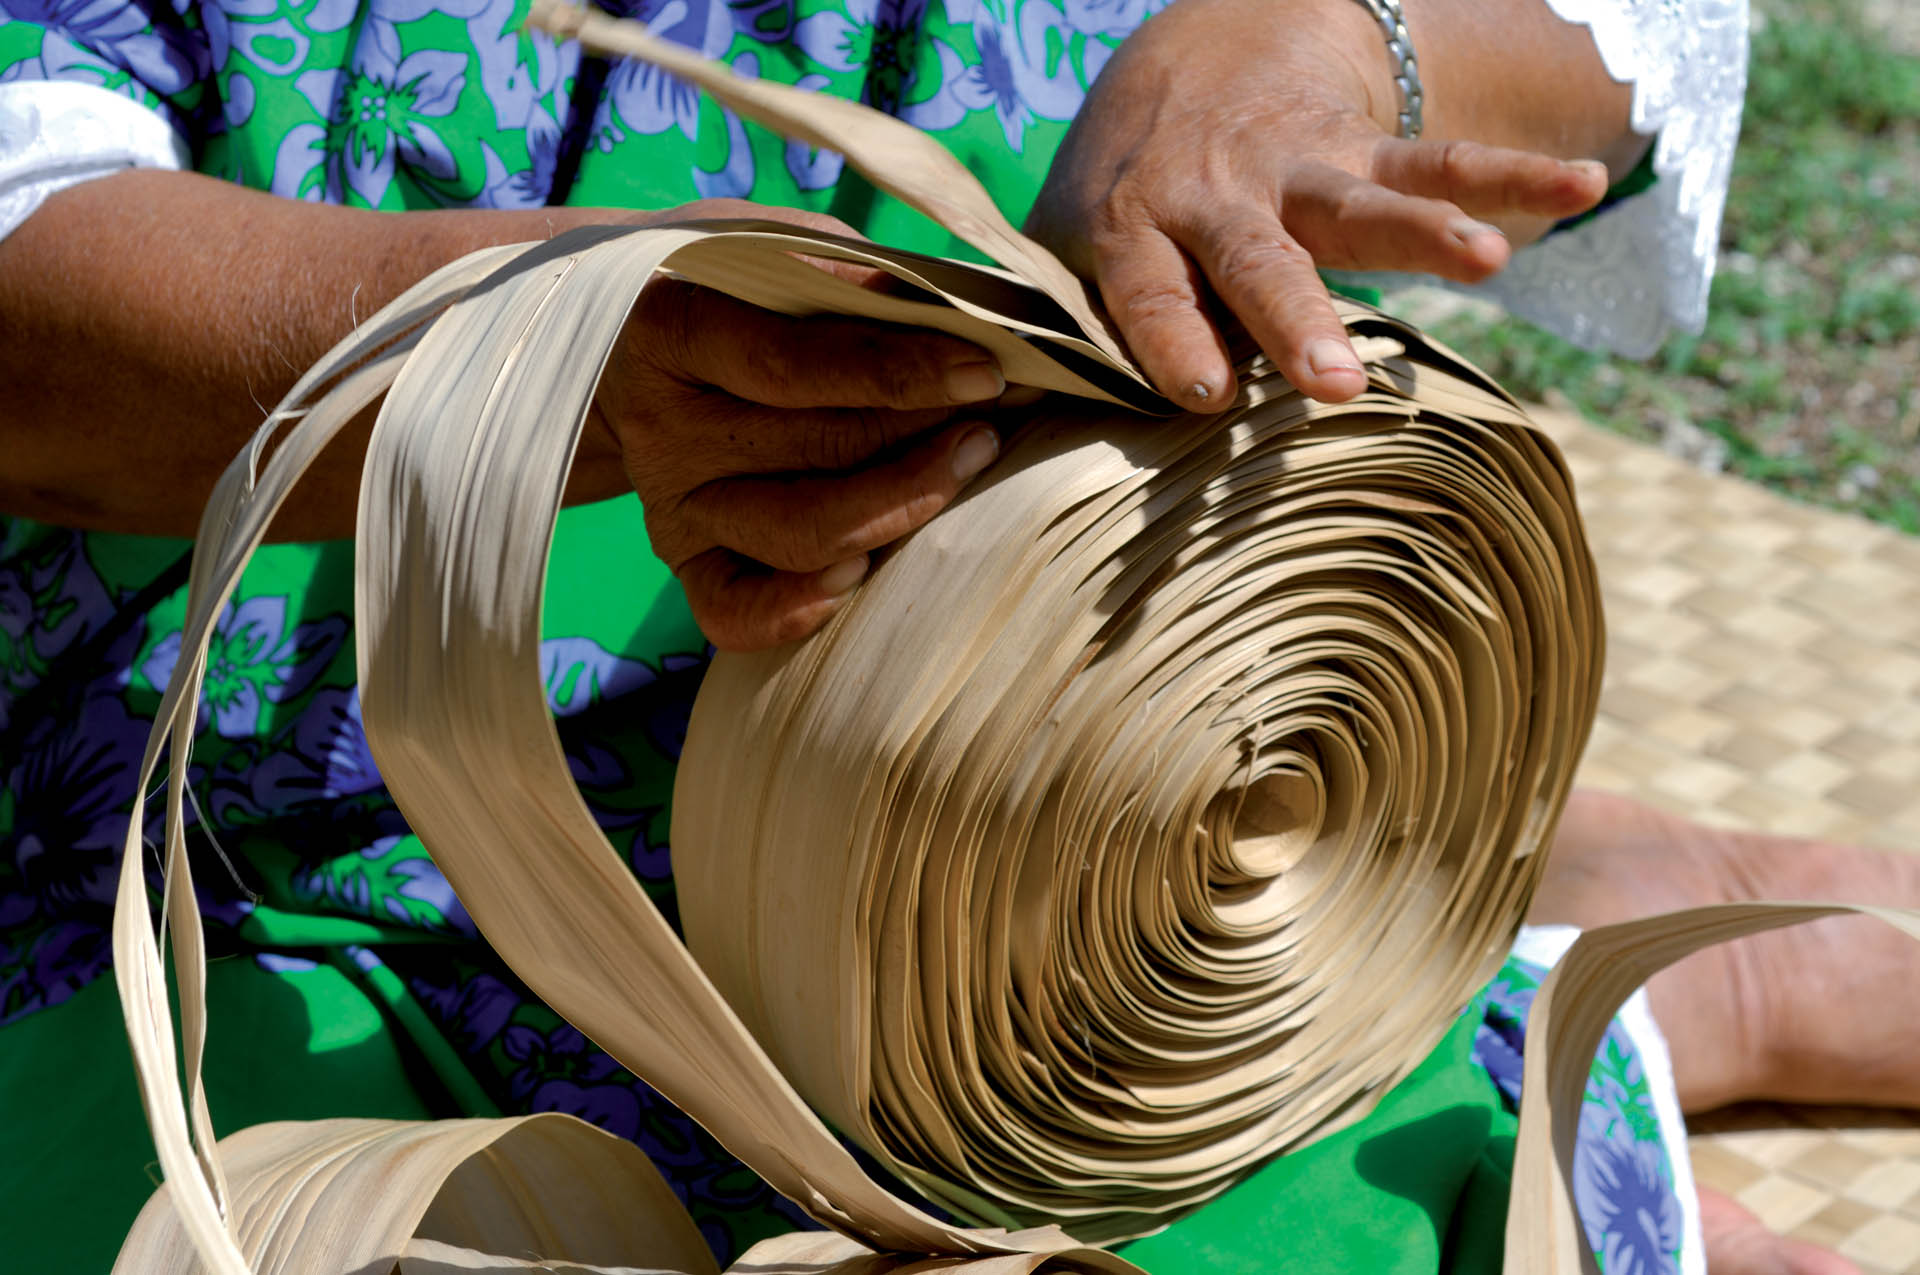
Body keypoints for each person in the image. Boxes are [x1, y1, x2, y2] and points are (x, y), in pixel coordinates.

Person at [0, 0, 1907, 1270]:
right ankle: (1532, 965)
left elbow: (1600, 52)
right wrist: (544, 367)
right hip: (245, 856)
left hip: (1072, 838)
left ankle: (1481, 945)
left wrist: (1322, 48)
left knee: (1275, 1174)